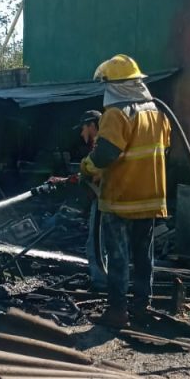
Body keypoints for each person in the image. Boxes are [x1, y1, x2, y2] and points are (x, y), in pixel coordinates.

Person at [80, 54, 171, 329]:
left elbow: (105, 154)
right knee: (143, 256)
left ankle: (118, 311)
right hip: (150, 198)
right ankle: (142, 307)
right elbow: (164, 149)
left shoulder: (116, 115)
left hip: (121, 199)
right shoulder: (157, 113)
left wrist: (86, 167)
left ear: (114, 86)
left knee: (118, 257)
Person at [74, 109, 106, 292]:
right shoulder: (105, 143)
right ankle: (106, 280)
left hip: (103, 201)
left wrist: (83, 172)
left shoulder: (101, 145)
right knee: (103, 243)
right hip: (107, 200)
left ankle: (100, 283)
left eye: (83, 128)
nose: (82, 133)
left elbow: (95, 171)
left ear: (92, 125)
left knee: (96, 244)